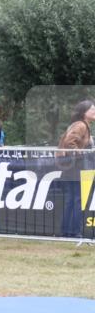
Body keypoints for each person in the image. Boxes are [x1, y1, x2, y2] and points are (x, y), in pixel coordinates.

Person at [57, 100, 95, 237]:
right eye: (92, 110)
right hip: (76, 167)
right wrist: (82, 153)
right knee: (77, 199)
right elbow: (70, 142)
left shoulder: (82, 125)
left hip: (71, 167)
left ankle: (66, 231)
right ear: (84, 113)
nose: (94, 112)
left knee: (72, 199)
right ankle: (74, 232)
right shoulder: (81, 125)